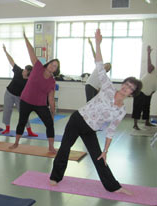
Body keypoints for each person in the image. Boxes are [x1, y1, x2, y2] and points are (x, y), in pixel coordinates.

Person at [50, 29, 142, 196]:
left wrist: (106, 151)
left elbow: (111, 131)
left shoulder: (121, 110)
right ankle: (56, 177)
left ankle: (114, 186)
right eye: (126, 84)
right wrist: (98, 44)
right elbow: (99, 65)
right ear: (123, 84)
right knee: (65, 148)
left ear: (132, 94)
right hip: (78, 120)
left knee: (99, 157)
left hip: (91, 129)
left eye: (130, 88)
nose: (126, 88)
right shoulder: (108, 87)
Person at [9, 31, 59, 152]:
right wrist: (26, 38)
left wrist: (52, 113)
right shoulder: (37, 67)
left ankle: (51, 146)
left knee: (49, 124)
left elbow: (51, 99)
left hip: (41, 104)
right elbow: (31, 51)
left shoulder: (52, 82)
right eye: (52, 64)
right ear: (48, 64)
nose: (53, 66)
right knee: (22, 121)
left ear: (56, 70)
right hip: (26, 100)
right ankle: (16, 143)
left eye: (56, 66)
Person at [2, 44, 37, 136]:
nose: (23, 71)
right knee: (7, 110)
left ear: (29, 74)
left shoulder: (30, 80)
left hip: (19, 97)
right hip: (9, 93)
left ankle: (29, 131)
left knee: (23, 113)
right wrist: (6, 52)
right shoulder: (18, 71)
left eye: (25, 71)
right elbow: (11, 61)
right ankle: (7, 129)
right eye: (24, 69)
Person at [132, 45, 156, 130]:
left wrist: (152, 93)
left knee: (146, 107)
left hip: (148, 92)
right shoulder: (153, 69)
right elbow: (149, 66)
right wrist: (148, 53)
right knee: (137, 107)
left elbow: (154, 87)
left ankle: (147, 122)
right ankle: (135, 124)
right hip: (140, 90)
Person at [85, 37, 112, 102]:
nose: (106, 65)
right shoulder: (99, 66)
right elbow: (95, 55)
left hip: (95, 88)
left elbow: (100, 88)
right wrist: (91, 44)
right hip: (90, 85)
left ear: (108, 70)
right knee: (89, 103)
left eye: (108, 66)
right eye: (106, 64)